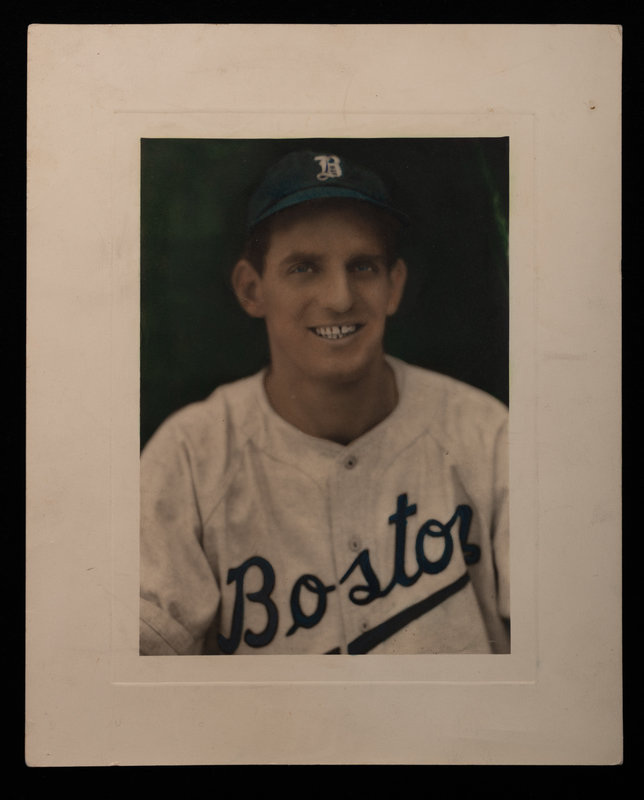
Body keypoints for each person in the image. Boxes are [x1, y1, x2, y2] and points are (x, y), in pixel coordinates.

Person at [139, 150, 510, 656]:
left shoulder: (487, 435)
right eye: (304, 268)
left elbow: (560, 650)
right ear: (252, 289)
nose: (339, 298)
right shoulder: (189, 454)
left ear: (393, 286)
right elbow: (137, 660)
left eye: (363, 266)